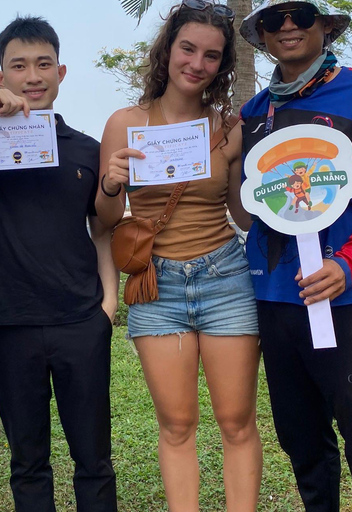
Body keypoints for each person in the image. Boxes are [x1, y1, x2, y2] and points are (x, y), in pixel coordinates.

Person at [238, 1, 352, 510]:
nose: (289, 26)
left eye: (300, 14)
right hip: (275, 302)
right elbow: (248, 203)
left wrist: (347, 264)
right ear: (263, 36)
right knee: (303, 448)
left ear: (325, 25)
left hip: (350, 304)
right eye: (274, 20)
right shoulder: (253, 113)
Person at [0, 16, 118, 512]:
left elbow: (102, 228)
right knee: (28, 461)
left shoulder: (86, 149)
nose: (32, 76)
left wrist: (108, 303)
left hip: (81, 320)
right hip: (10, 322)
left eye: (43, 64)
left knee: (94, 456)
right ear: (1, 78)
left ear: (61, 72)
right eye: (19, 66)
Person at [95, 2, 261, 511]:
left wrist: (274, 186)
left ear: (222, 65)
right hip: (155, 285)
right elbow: (104, 219)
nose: (197, 62)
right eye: (187, 48)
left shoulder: (228, 128)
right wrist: (110, 182)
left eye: (212, 55)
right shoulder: (125, 123)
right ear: (167, 50)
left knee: (236, 423)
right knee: (176, 425)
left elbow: (244, 215)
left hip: (226, 277)